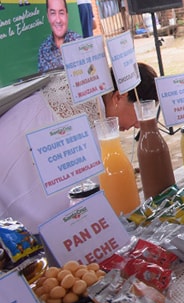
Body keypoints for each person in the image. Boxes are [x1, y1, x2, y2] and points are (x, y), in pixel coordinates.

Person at [0, 62, 158, 232]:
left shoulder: (90, 92)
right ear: (119, 97)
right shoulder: (89, 119)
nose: (139, 125)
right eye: (140, 113)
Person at [37, 0, 83, 72]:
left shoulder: (79, 42)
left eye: (61, 13)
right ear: (48, 16)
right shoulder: (43, 49)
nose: (58, 20)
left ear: (67, 15)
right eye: (53, 13)